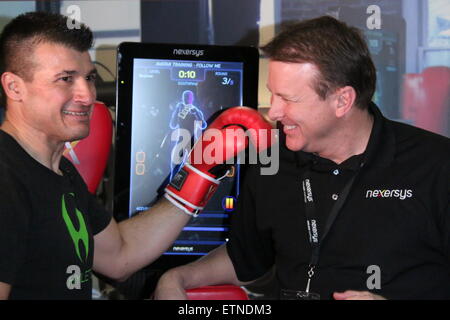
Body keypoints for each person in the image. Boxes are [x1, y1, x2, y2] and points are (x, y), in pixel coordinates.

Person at [154, 15, 450, 300]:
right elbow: (245, 259)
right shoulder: (272, 158)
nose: (274, 113)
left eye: (288, 99)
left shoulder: (437, 166)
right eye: (273, 95)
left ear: (342, 100)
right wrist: (177, 278)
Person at [0, 12, 271, 299]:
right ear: (14, 87)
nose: (87, 94)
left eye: (89, 77)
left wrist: (198, 172)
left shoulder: (58, 171)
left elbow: (120, 256)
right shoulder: (6, 179)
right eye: (65, 79)